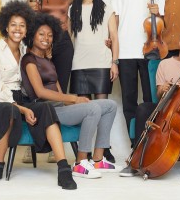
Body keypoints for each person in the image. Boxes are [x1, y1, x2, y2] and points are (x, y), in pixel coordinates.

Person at [0, 0, 77, 189]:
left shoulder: (26, 52)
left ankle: (63, 169)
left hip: (22, 100)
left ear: (27, 30)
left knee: (45, 107)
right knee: (8, 110)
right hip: (0, 103)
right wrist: (22, 109)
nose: (17, 29)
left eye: (22, 25)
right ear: (6, 27)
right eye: (13, 25)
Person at [20, 13, 122, 179]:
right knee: (92, 109)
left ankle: (97, 158)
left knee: (109, 105)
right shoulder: (29, 60)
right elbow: (40, 92)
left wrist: (76, 104)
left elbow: (60, 93)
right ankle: (81, 163)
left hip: (60, 108)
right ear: (32, 35)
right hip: (47, 111)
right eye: (41, 34)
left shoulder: (48, 60)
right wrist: (75, 99)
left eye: (50, 35)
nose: (46, 38)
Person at [119, 28, 180, 179]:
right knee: (142, 108)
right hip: (167, 109)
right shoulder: (164, 64)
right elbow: (159, 95)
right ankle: (136, 157)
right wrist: (163, 89)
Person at [110, 0, 165, 138]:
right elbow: (114, 22)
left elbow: (161, 24)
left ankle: (150, 142)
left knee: (152, 100)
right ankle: (135, 144)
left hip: (150, 51)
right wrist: (113, 57)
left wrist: (158, 13)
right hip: (125, 52)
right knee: (129, 102)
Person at [69, 0, 119, 162]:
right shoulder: (73, 8)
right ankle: (85, 151)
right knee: (84, 112)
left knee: (102, 109)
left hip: (101, 63)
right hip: (79, 65)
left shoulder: (106, 8)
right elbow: (71, 37)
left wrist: (114, 63)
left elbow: (114, 37)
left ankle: (104, 149)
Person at [27, 0, 74, 93]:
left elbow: (70, 17)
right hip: (44, 41)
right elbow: (31, 20)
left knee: (62, 85)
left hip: (64, 42)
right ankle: (47, 114)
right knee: (44, 84)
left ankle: (61, 114)